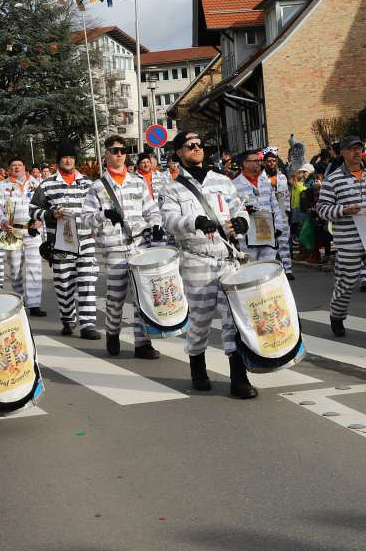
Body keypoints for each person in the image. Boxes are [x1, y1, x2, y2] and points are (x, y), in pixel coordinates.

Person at [160, 130, 255, 398]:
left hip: (227, 259)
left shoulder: (223, 181)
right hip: (195, 260)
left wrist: (241, 222)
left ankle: (239, 378)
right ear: (179, 152)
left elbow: (239, 208)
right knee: (200, 320)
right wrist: (196, 222)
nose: (196, 147)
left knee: (233, 320)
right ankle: (197, 368)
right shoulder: (172, 188)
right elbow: (169, 221)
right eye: (190, 145)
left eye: (199, 144)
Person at [81, 135, 163, 359]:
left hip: (139, 246)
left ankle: (142, 343)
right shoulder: (97, 187)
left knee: (140, 296)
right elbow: (85, 219)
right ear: (106, 154)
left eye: (123, 150)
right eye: (114, 150)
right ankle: (113, 333)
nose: (119, 154)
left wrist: (156, 225)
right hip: (114, 248)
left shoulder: (138, 182)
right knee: (116, 297)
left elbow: (152, 210)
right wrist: (103, 214)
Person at [315, 136, 366, 341]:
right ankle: (337, 314)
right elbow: (322, 209)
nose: (356, 152)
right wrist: (343, 210)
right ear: (342, 153)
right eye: (351, 149)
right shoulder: (333, 180)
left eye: (359, 148)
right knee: (347, 281)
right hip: (348, 239)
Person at [30, 142, 99, 339]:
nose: (68, 160)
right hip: (60, 242)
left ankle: (88, 325)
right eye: (64, 157)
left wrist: (96, 227)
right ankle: (68, 319)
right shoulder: (47, 184)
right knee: (63, 283)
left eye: (71, 157)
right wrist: (51, 214)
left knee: (86, 282)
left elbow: (98, 208)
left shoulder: (87, 182)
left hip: (85, 239)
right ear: (58, 160)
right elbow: (33, 209)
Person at [0, 159, 45, 315]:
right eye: (13, 165)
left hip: (32, 232)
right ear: (9, 169)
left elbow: (45, 206)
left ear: (24, 167)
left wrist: (40, 220)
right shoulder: (2, 186)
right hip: (12, 232)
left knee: (35, 267)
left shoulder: (36, 184)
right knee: (15, 269)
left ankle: (35, 304)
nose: (16, 168)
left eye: (19, 165)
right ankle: (19, 302)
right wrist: (2, 222)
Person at [232, 149, 288, 263]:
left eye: (259, 160)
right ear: (245, 163)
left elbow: (275, 205)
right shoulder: (234, 185)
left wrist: (278, 227)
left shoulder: (265, 182)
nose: (259, 162)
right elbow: (232, 210)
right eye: (255, 160)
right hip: (247, 236)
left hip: (268, 233)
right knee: (250, 267)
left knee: (267, 266)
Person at [263, 147, 294, 277]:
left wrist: (288, 210)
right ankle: (272, 271)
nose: (271, 163)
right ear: (265, 162)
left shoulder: (282, 178)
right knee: (269, 243)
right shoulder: (261, 178)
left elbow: (287, 195)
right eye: (269, 161)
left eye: (274, 161)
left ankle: (288, 270)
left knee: (284, 242)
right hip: (267, 213)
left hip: (282, 213)